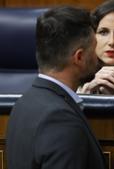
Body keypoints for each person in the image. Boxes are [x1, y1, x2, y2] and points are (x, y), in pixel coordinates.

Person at [6, 6, 106, 169]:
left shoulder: (22, 104)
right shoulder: (61, 120)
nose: (97, 58)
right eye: (94, 49)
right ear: (79, 57)